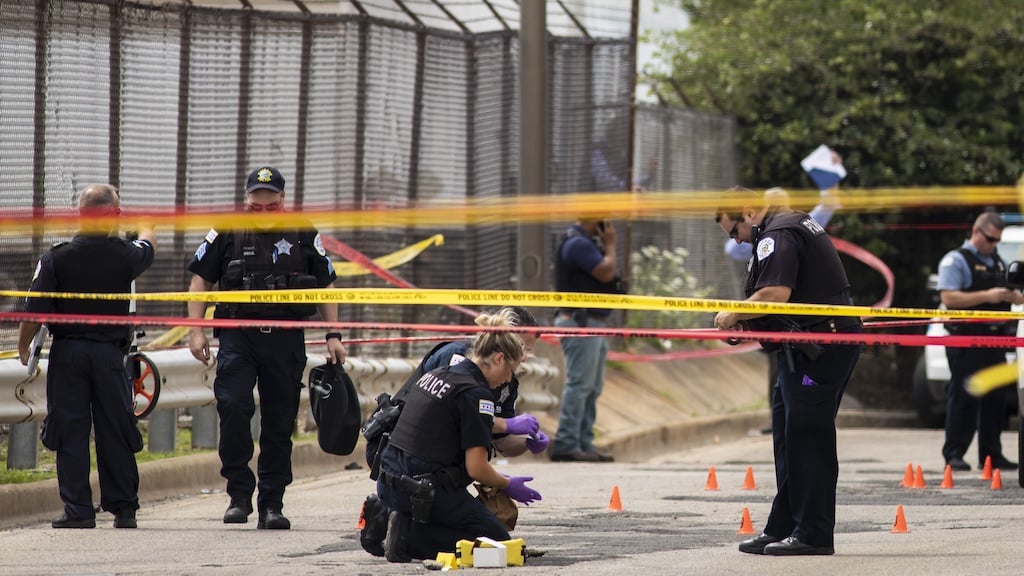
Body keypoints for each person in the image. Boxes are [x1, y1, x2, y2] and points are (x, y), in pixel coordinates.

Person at [186, 166, 346, 530]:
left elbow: (326, 285)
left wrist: (333, 334)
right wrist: (195, 331)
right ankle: (238, 495)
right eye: (255, 207)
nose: (262, 213)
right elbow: (200, 281)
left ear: (283, 201)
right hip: (238, 335)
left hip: (285, 337)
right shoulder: (226, 230)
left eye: (270, 207)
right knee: (233, 405)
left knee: (278, 420)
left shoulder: (303, 230)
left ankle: (272, 502)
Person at [714, 188, 862, 556]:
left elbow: (775, 293)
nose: (737, 240)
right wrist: (747, 328)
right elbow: (787, 300)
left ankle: (813, 532)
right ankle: (784, 525)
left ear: (748, 211)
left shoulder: (779, 232)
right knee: (788, 434)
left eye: (734, 232)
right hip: (802, 348)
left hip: (820, 348)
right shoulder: (784, 226)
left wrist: (732, 314)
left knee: (807, 436)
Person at [16, 184, 157, 529]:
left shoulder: (57, 257)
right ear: (114, 215)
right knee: (115, 428)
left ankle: (78, 510)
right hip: (109, 355)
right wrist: (144, 224)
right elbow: (149, 244)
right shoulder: (125, 255)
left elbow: (34, 310)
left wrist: (23, 349)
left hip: (68, 355)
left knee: (70, 430)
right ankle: (124, 509)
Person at [357, 306, 548, 557]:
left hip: (398, 472)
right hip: (415, 471)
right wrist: (507, 483)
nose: (523, 359)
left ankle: (402, 518)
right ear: (501, 355)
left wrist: (525, 441)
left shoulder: (455, 374)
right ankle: (405, 533)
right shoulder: (463, 371)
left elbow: (489, 436)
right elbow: (472, 450)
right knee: (495, 543)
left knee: (474, 521)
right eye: (521, 350)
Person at [936, 211, 1021, 472]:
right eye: (991, 239)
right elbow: (949, 298)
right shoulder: (956, 261)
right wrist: (989, 295)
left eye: (997, 240)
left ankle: (991, 455)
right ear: (976, 231)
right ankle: (954, 454)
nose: (994, 245)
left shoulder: (996, 261)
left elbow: (1003, 294)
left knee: (995, 400)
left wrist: (1013, 296)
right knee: (964, 397)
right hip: (966, 340)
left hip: (993, 339)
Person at [550, 218, 622, 462]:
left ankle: (583, 443)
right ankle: (567, 443)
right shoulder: (577, 244)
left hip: (592, 323)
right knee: (580, 384)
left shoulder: (586, 243)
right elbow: (605, 272)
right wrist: (610, 245)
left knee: (592, 386)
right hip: (580, 322)